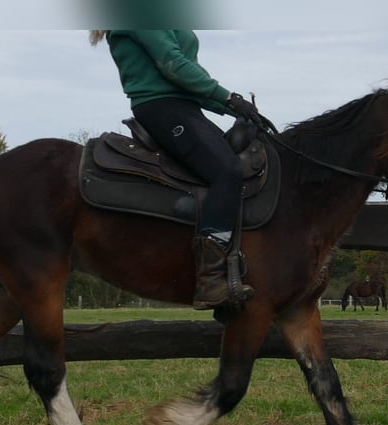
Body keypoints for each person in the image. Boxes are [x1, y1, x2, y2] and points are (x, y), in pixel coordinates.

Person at [90, 30, 261, 312]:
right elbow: (173, 65)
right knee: (227, 171)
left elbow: (190, 76)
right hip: (163, 107)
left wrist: (237, 109)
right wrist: (230, 98)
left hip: (184, 108)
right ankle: (210, 280)